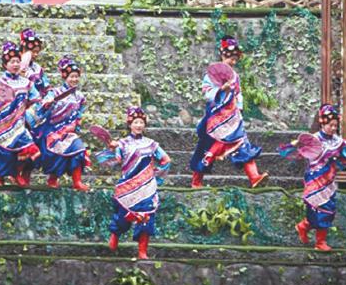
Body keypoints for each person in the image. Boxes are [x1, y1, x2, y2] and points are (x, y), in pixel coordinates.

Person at [189, 36, 268, 188]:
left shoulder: (235, 76)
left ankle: (254, 177)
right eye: (230, 58)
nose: (233, 62)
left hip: (232, 115)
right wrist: (221, 89)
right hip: (216, 116)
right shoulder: (210, 75)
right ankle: (196, 181)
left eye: (235, 59)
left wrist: (239, 107)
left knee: (242, 142)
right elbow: (207, 93)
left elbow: (238, 93)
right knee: (206, 145)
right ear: (222, 56)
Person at [107, 107, 171, 260]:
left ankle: (142, 251)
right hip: (128, 185)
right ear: (130, 124)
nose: (138, 125)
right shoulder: (122, 143)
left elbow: (166, 159)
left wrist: (155, 176)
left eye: (141, 122)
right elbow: (114, 162)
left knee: (147, 216)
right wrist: (112, 148)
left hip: (147, 187)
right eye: (135, 122)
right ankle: (115, 235)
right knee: (123, 214)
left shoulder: (151, 144)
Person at [0, 42, 42, 187]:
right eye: (12, 62)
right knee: (0, 151)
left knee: (31, 149)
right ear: (5, 65)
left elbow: (36, 99)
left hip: (19, 122)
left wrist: (36, 109)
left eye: (17, 61)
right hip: (2, 122)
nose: (15, 65)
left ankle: (17, 172)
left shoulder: (26, 83)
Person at [294, 105, 346, 251]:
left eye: (335, 126)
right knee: (316, 207)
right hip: (315, 177)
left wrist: (337, 163)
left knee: (328, 207)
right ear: (323, 123)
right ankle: (319, 241)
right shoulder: (314, 139)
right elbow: (302, 154)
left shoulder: (338, 141)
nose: (333, 128)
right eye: (330, 125)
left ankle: (305, 227)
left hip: (328, 179)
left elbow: (344, 158)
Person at [35, 56, 91, 191]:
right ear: (65, 77)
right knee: (56, 151)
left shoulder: (80, 97)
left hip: (68, 130)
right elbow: (41, 109)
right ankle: (53, 178)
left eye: (76, 77)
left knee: (79, 149)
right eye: (72, 76)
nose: (74, 79)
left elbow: (79, 113)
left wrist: (75, 124)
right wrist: (47, 104)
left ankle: (77, 181)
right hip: (52, 129)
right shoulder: (55, 93)